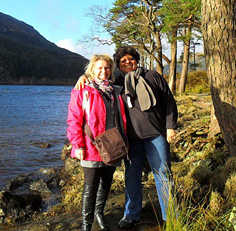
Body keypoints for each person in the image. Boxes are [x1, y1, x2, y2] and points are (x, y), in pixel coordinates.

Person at [75, 46, 178, 229]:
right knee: (132, 175)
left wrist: (170, 127)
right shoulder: (117, 82)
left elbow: (169, 101)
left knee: (163, 173)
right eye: (122, 61)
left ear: (136, 60)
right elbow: (97, 83)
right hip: (130, 139)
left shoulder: (152, 76)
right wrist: (83, 78)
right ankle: (131, 214)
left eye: (130, 59)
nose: (127, 62)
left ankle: (170, 216)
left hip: (155, 134)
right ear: (118, 65)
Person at [67, 54, 127, 231]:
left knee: (106, 183)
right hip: (91, 146)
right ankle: (86, 224)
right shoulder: (82, 90)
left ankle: (99, 213)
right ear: (92, 69)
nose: (103, 71)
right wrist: (77, 144)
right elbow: (74, 119)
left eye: (107, 68)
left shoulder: (116, 90)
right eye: (99, 68)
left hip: (113, 144)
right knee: (90, 186)